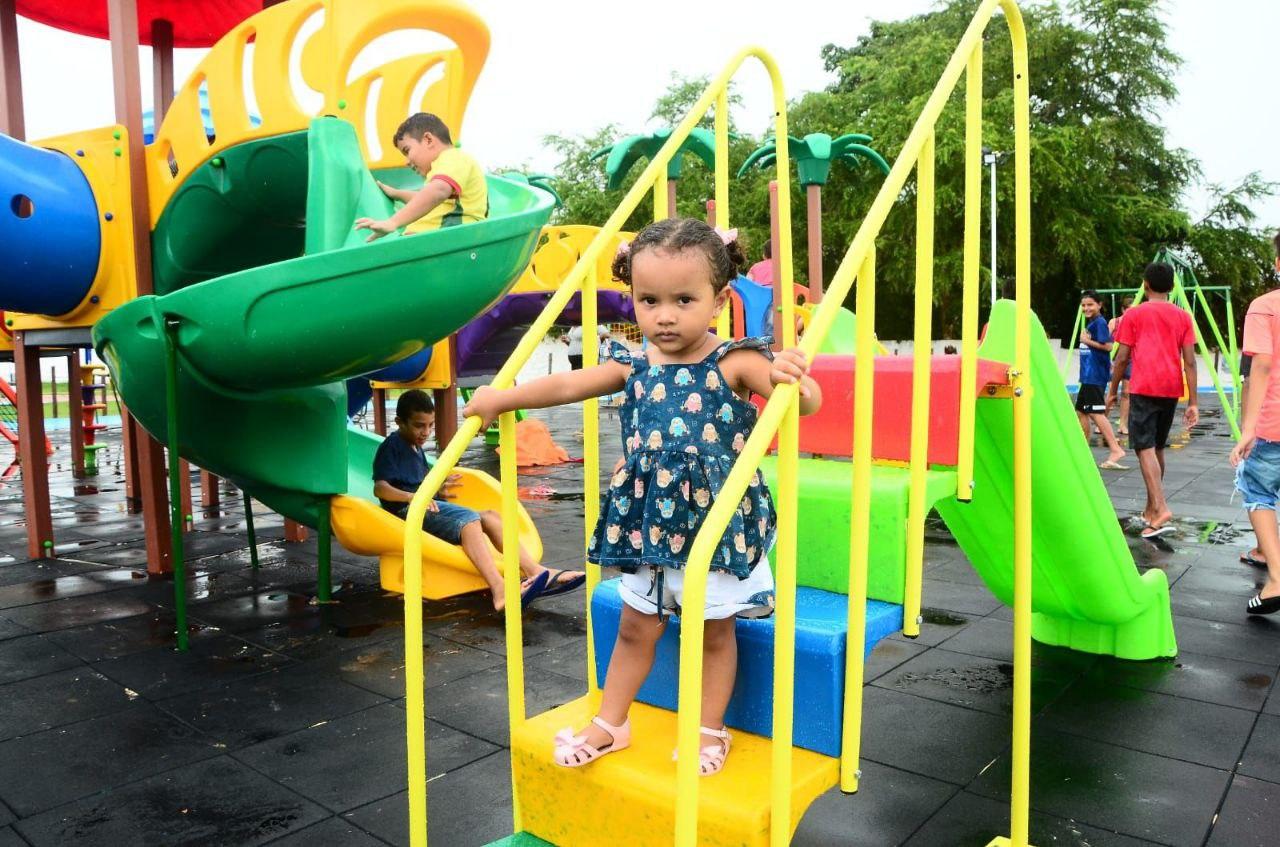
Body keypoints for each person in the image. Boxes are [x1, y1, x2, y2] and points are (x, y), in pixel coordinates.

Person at [463, 218, 822, 776]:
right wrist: (500, 398)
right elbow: (563, 386)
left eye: (684, 299)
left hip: (715, 527)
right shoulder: (632, 364)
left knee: (713, 631)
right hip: (649, 525)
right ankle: (612, 722)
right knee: (636, 626)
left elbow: (800, 402)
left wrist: (799, 378)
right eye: (649, 300)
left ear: (720, 299)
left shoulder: (733, 361)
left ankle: (708, 728)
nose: (665, 314)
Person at [373, 390, 584, 611]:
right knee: (469, 519)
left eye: (430, 425)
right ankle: (499, 589)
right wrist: (413, 497)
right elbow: (381, 488)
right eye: (419, 425)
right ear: (399, 422)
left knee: (491, 516)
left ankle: (536, 571)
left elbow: (415, 482)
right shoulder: (391, 446)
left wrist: (438, 490)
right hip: (406, 512)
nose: (425, 432)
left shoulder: (415, 447)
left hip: (424, 506)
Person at [1106, 262, 1198, 539]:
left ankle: (1160, 508)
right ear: (1171, 287)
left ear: (1145, 285)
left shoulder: (1133, 315)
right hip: (1171, 388)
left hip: (1145, 387)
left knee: (1144, 448)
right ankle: (1150, 510)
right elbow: (1190, 362)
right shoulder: (1182, 316)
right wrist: (1193, 402)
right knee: (1156, 447)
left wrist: (1111, 390)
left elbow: (1121, 357)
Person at [1230, 232, 1280, 614]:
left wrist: (1248, 429)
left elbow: (1261, 365)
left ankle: (1277, 579)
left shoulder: (1266, 306)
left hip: (1273, 424)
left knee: (1258, 490)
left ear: (1277, 264)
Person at [355, 113, 487, 241]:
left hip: (447, 241)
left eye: (407, 151)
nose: (407, 161)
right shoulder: (443, 171)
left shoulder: (454, 158)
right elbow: (426, 199)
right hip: (431, 241)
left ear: (428, 140)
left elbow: (438, 191)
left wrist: (392, 222)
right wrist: (397, 194)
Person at [1075, 290, 1127, 468]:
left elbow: (1109, 346)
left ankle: (1115, 449)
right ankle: (1083, 450)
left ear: (1099, 305)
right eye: (1083, 305)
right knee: (1081, 411)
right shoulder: (1092, 323)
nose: (1086, 308)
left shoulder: (1099, 323)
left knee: (1096, 412)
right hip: (1088, 376)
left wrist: (1086, 341)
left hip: (1095, 376)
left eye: (1090, 304)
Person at [1108, 295, 1135, 435]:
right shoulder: (1115, 322)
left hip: (1129, 360)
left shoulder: (1137, 323)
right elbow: (1105, 343)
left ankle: (1123, 424)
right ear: (1123, 310)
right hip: (1115, 359)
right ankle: (1103, 421)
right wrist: (1109, 361)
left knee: (1126, 393)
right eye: (1129, 310)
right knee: (1110, 392)